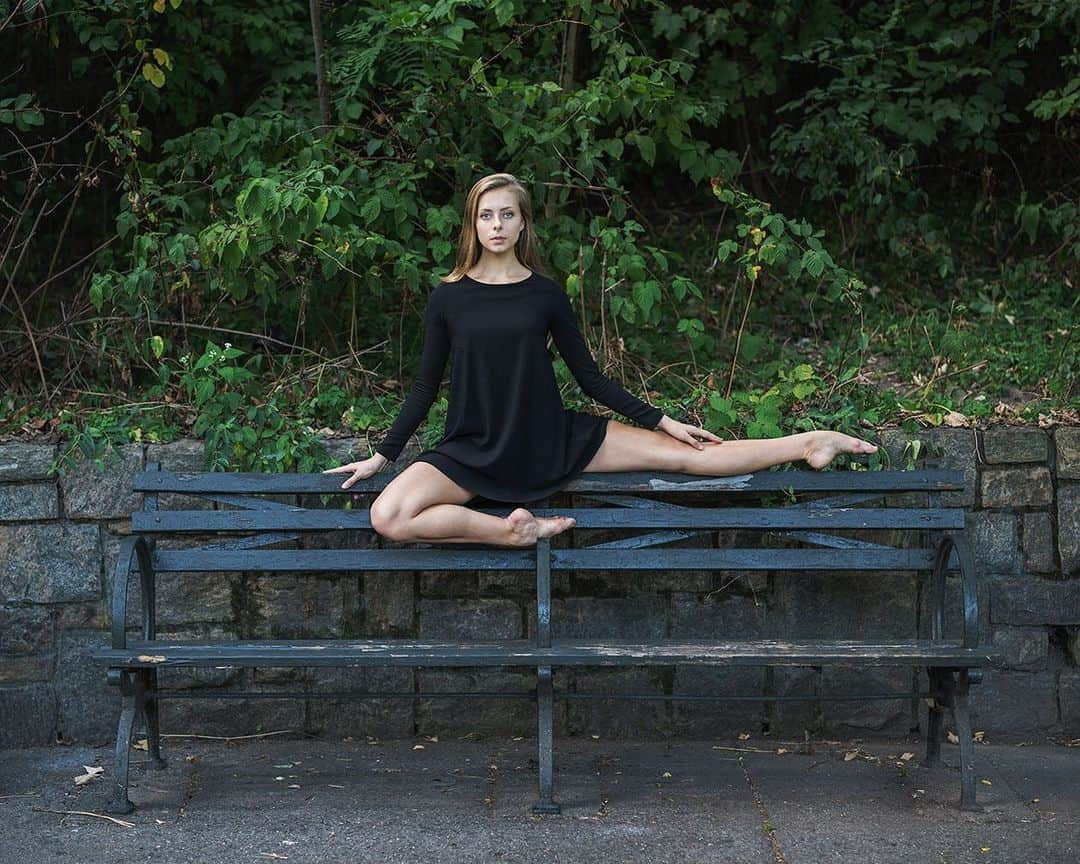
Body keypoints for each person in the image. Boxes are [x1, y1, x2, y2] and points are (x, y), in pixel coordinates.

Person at [324, 172, 877, 547]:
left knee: (688, 456)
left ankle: (809, 442)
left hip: (550, 439)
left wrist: (663, 421)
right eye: (486, 215)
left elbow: (588, 377)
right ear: (473, 224)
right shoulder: (448, 295)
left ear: (523, 223)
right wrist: (382, 455)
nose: (496, 225)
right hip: (473, 449)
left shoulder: (544, 294)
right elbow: (424, 387)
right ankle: (513, 531)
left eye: (507, 215)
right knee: (387, 515)